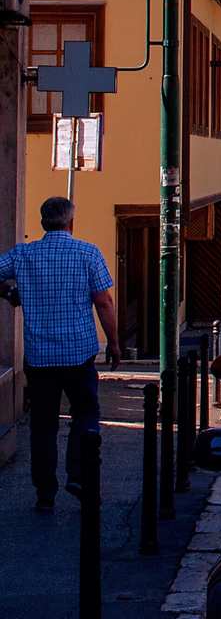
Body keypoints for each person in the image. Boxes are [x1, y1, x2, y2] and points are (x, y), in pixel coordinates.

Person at [0, 197, 120, 512]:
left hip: (40, 357)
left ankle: (44, 492)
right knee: (85, 413)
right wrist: (115, 342)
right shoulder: (88, 252)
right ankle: (79, 474)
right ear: (70, 223)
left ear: (42, 223)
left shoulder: (23, 254)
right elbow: (104, 302)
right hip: (79, 354)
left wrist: (11, 293)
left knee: (43, 425)